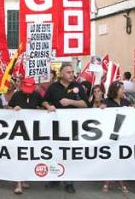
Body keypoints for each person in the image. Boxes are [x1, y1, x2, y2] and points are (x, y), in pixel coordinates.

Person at [42, 62, 89, 194]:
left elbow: (86, 104)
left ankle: (69, 182)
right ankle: (54, 177)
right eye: (68, 72)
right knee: (55, 152)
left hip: (72, 126)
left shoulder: (78, 86)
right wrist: (47, 106)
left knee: (69, 154)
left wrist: (71, 102)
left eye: (72, 72)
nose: (71, 74)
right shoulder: (53, 87)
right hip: (56, 126)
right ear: (61, 73)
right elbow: (44, 100)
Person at [8, 77, 42, 195]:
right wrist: (13, 109)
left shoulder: (36, 95)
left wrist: (44, 108)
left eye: (29, 88)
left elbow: (43, 105)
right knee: (19, 156)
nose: (27, 91)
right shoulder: (17, 95)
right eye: (25, 88)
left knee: (28, 156)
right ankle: (18, 183)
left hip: (32, 132)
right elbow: (8, 108)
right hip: (18, 131)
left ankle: (23, 180)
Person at [99, 81, 129, 194]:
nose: (124, 90)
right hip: (110, 136)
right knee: (110, 159)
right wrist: (101, 109)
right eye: (122, 88)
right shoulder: (107, 102)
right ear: (115, 90)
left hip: (123, 136)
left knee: (120, 159)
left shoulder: (126, 102)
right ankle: (107, 182)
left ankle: (121, 182)